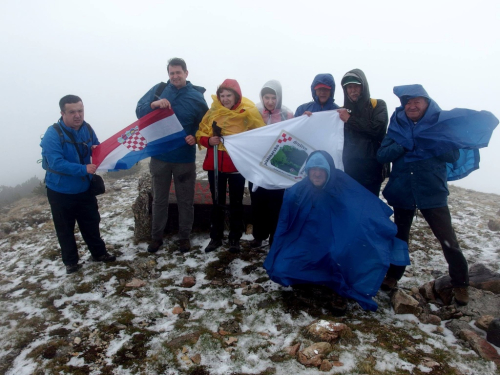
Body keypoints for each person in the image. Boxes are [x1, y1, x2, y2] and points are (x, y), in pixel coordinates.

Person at [377, 84, 498, 305]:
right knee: (400, 239)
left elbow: (452, 155)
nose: (412, 106)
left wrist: (430, 142)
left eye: (417, 102)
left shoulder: (439, 127)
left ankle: (460, 284)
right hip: (403, 190)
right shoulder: (397, 128)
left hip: (432, 192)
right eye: (408, 103)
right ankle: (393, 276)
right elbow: (382, 154)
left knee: (447, 240)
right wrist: (404, 145)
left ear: (427, 104)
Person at [263, 150, 409, 311]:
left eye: (321, 169)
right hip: (308, 242)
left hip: (335, 239)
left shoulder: (342, 184)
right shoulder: (298, 191)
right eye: (313, 169)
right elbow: (286, 225)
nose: (317, 174)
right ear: (308, 170)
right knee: (283, 267)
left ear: (329, 170)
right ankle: (308, 277)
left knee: (340, 256)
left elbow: (362, 209)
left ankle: (331, 281)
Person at [136, 58, 209, 254]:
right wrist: (154, 104)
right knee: (159, 200)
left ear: (186, 73)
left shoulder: (196, 97)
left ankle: (184, 238)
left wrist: (195, 136)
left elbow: (205, 124)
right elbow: (139, 110)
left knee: (185, 201)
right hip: (159, 155)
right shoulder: (159, 90)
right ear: (168, 74)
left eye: (178, 72)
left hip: (184, 158)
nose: (175, 76)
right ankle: (156, 237)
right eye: (172, 73)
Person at [40, 95, 116, 274]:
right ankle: (71, 262)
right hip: (60, 191)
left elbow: (97, 147)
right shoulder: (52, 134)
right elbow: (56, 163)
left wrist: (108, 156)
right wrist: (84, 169)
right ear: (62, 113)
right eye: (72, 112)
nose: (77, 115)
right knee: (65, 228)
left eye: (80, 111)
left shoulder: (87, 129)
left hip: (84, 188)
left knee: (91, 223)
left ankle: (99, 254)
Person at [196, 79, 265, 253]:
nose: (225, 99)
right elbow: (200, 133)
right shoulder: (213, 112)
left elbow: (257, 133)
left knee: (236, 202)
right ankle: (216, 237)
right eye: (222, 95)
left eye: (229, 95)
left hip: (236, 165)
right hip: (215, 165)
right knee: (217, 202)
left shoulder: (246, 112)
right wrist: (208, 140)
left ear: (236, 96)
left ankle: (235, 238)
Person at [249, 80, 294, 248]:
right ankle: (258, 236)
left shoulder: (287, 114)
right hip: (257, 166)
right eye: (266, 97)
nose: (269, 101)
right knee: (258, 202)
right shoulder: (254, 112)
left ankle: (275, 236)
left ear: (279, 97)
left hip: (278, 167)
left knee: (276, 203)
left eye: (273, 97)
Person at [337, 69, 388, 196]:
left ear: (363, 87)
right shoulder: (340, 111)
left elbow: (378, 129)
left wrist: (350, 119)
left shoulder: (378, 105)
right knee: (351, 210)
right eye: (349, 87)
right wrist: (308, 117)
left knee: (370, 210)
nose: (353, 90)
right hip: (349, 171)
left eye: (356, 86)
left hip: (372, 172)